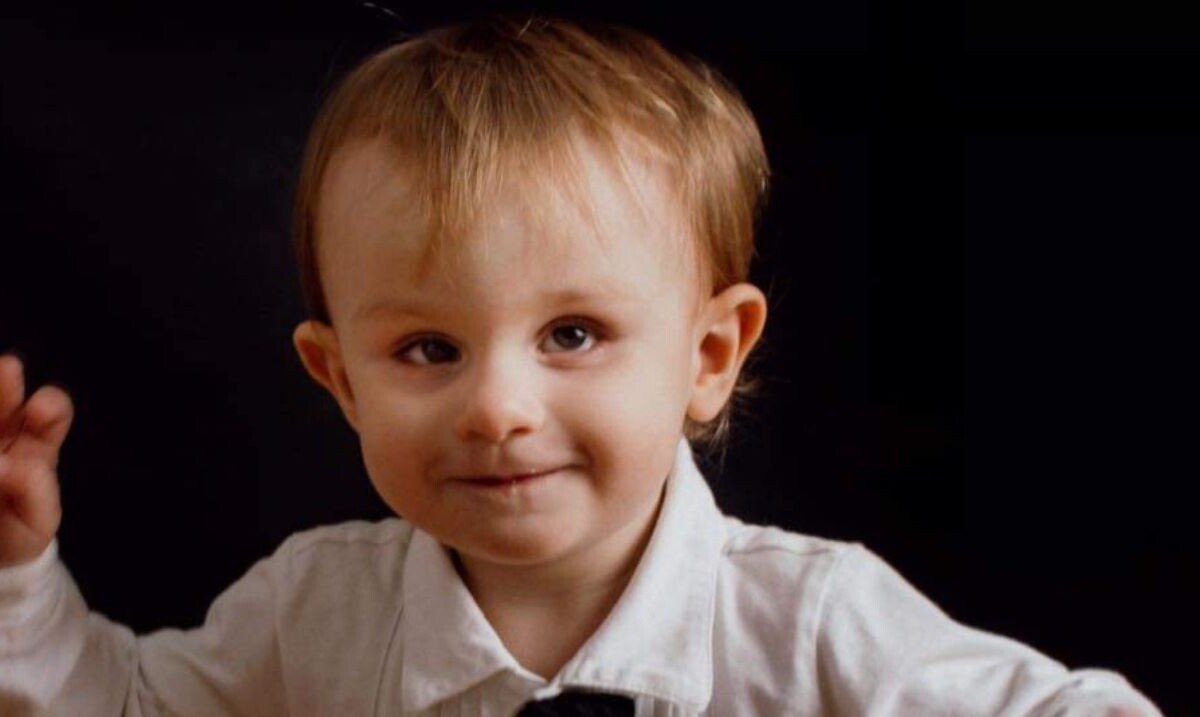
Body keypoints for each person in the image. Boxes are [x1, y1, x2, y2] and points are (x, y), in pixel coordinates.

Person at [0, 15, 1162, 717]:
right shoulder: (318, 610)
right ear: (340, 378)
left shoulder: (808, 622)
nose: (497, 409)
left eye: (572, 335)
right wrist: (15, 577)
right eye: (428, 349)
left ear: (709, 354)